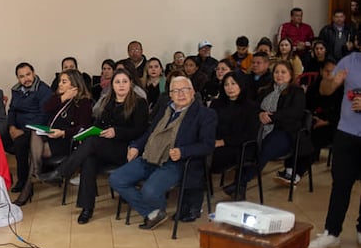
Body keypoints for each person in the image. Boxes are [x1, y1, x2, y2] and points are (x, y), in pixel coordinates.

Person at [38, 69, 149, 223]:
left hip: (125, 149)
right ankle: (87, 208)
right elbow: (98, 123)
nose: (121, 85)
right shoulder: (108, 101)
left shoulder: (139, 103)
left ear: (131, 83)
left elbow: (140, 130)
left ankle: (61, 172)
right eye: (117, 82)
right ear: (113, 85)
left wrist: (116, 132)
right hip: (105, 146)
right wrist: (94, 130)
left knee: (92, 143)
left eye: (125, 81)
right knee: (89, 158)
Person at [108, 76, 217, 229]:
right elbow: (150, 133)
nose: (180, 94)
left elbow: (207, 145)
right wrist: (136, 146)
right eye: (175, 91)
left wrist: (183, 151)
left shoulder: (205, 114)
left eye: (184, 90)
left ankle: (154, 213)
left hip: (175, 162)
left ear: (192, 92)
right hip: (149, 156)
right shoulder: (165, 109)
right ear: (170, 95)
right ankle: (153, 213)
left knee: (149, 191)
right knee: (116, 179)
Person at [308, 42, 361, 248]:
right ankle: (332, 232)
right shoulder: (350, 61)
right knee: (341, 183)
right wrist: (332, 81)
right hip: (346, 132)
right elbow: (325, 90)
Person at [16, 69, 92, 205]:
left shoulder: (84, 102)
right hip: (51, 137)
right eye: (60, 82)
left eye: (64, 82)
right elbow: (46, 108)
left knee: (34, 155)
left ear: (74, 84)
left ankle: (30, 183)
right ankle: (37, 174)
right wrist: (63, 97)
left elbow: (83, 128)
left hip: (67, 141)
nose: (60, 85)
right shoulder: (59, 97)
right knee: (34, 134)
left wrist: (63, 133)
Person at [233, 60, 307, 194]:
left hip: (286, 133)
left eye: (283, 72)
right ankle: (239, 185)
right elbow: (253, 108)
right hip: (261, 129)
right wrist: (260, 114)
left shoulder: (296, 91)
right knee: (246, 145)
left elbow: (294, 113)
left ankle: (241, 182)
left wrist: (271, 117)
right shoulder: (265, 90)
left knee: (265, 147)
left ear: (290, 74)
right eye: (277, 72)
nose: (279, 75)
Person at [209, 73, 259, 201]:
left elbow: (249, 134)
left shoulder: (250, 106)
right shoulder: (216, 104)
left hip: (240, 146)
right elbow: (209, 126)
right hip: (217, 143)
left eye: (233, 84)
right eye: (226, 84)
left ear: (241, 85)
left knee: (207, 157)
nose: (229, 88)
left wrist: (223, 142)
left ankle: (238, 188)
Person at [5, 62, 53, 195]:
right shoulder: (16, 90)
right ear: (18, 78)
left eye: (28, 74)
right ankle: (4, 175)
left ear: (34, 73)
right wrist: (11, 127)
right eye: (22, 76)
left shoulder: (44, 90)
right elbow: (12, 110)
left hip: (36, 129)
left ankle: (23, 180)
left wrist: (23, 130)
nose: (26, 79)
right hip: (18, 127)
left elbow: (44, 116)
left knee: (20, 143)